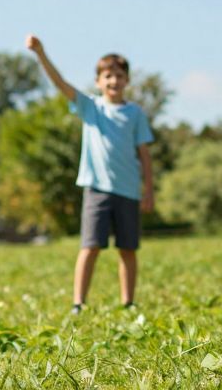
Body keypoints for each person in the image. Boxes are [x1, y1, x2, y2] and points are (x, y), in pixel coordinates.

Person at [26, 35, 155, 313]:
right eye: (107, 76)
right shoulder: (91, 108)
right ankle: (78, 303)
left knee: (128, 249)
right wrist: (41, 54)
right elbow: (60, 84)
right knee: (90, 247)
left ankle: (128, 303)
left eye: (119, 76)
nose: (113, 81)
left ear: (127, 80)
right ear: (98, 81)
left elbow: (144, 154)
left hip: (129, 190)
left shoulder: (135, 114)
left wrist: (149, 190)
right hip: (96, 189)